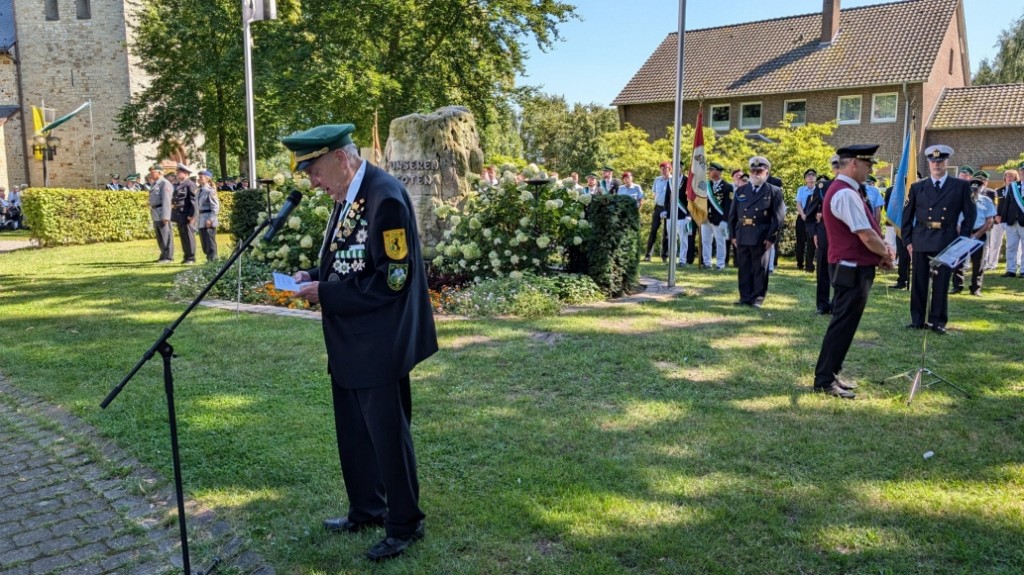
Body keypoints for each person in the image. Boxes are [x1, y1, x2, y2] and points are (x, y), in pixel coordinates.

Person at [286, 124, 437, 562]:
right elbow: (350, 260)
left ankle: (405, 523)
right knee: (354, 433)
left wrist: (325, 293)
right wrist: (313, 278)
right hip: (351, 340)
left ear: (340, 157)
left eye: (313, 170)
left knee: (388, 437)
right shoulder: (348, 193)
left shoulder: (384, 197)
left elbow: (392, 279)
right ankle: (367, 509)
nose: (312, 181)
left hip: (379, 343)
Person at [813, 144, 894, 399]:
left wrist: (877, 254)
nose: (871, 168)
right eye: (868, 164)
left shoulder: (849, 191)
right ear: (854, 164)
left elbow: (866, 234)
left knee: (845, 324)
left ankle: (831, 374)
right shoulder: (846, 193)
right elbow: (866, 234)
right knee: (842, 324)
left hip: (853, 266)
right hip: (851, 268)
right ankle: (825, 379)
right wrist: (883, 253)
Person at [901, 145, 976, 335]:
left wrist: (963, 241)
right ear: (928, 163)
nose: (937, 164)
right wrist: (908, 241)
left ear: (947, 162)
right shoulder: (918, 187)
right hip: (922, 239)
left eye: (940, 161)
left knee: (941, 283)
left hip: (947, 240)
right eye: (933, 161)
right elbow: (907, 216)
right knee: (919, 282)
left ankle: (938, 321)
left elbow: (970, 215)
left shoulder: (960, 186)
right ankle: (917, 320)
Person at [727, 156, 785, 308]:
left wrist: (771, 238)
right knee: (744, 268)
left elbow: (778, 218)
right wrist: (732, 235)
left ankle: (757, 299)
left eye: (759, 171)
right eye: (753, 170)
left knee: (759, 268)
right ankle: (745, 297)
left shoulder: (774, 191)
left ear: (766, 172)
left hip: (761, 235)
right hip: (742, 234)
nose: (755, 173)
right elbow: (732, 215)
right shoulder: (741, 190)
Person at [951, 177, 996, 296]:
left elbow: (989, 220)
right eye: (972, 188)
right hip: (962, 233)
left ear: (981, 188)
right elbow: (955, 219)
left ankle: (975, 288)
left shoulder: (986, 201)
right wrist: (962, 233)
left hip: (979, 233)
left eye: (977, 188)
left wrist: (977, 234)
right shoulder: (959, 200)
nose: (974, 190)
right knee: (958, 261)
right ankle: (957, 286)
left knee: (978, 263)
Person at [702, 162, 732, 270]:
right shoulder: (706, 185)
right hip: (706, 218)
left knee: (720, 242)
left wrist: (725, 220)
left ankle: (720, 264)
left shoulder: (727, 187)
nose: (709, 172)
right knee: (705, 241)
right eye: (709, 170)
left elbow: (729, 206)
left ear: (718, 172)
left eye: (711, 170)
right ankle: (707, 262)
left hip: (719, 219)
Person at [996, 164, 1024, 278]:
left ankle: (1023, 270)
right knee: (1011, 246)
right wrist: (1004, 219)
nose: (1023, 173)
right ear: (1020, 172)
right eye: (1022, 171)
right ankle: (1011, 270)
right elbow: (1006, 203)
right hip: (1012, 221)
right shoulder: (1013, 186)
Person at [883, 184, 911, 289]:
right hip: (900, 225)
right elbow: (889, 207)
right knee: (903, 254)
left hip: (916, 226)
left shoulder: (920, 188)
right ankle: (902, 280)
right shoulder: (893, 190)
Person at [645, 162, 673, 261]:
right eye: (661, 169)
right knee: (653, 230)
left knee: (666, 232)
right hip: (658, 207)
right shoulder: (657, 180)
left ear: (669, 169)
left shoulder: (673, 180)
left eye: (665, 169)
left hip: (668, 208)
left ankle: (664, 256)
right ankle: (648, 255)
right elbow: (654, 192)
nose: (663, 171)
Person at [172, 164, 198, 264]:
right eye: (177, 172)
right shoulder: (179, 184)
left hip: (187, 215)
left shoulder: (190, 185)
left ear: (186, 173)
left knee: (189, 236)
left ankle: (191, 257)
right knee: (183, 236)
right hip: (180, 215)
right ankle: (186, 256)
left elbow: (194, 202)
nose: (177, 174)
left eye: (179, 172)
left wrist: (192, 216)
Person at [148, 165, 174, 263]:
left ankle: (168, 256)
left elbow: (167, 201)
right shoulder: (155, 184)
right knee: (160, 236)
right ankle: (163, 254)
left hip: (162, 212)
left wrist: (166, 216)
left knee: (165, 235)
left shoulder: (164, 183)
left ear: (159, 173)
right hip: (156, 212)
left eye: (152, 172)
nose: (151, 174)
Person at [795, 169, 817, 272]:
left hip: (813, 219)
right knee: (800, 242)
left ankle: (809, 266)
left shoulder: (818, 190)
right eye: (809, 175)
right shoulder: (801, 189)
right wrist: (803, 215)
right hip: (802, 217)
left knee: (811, 243)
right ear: (805, 179)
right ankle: (800, 263)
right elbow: (798, 204)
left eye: (813, 175)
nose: (811, 177)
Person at [195, 169, 220, 262]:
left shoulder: (210, 191)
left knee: (210, 240)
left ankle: (213, 259)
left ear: (207, 179)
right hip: (201, 218)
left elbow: (215, 207)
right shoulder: (199, 191)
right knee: (204, 241)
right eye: (199, 177)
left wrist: (211, 219)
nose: (199, 179)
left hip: (208, 217)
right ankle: (208, 258)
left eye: (201, 177)